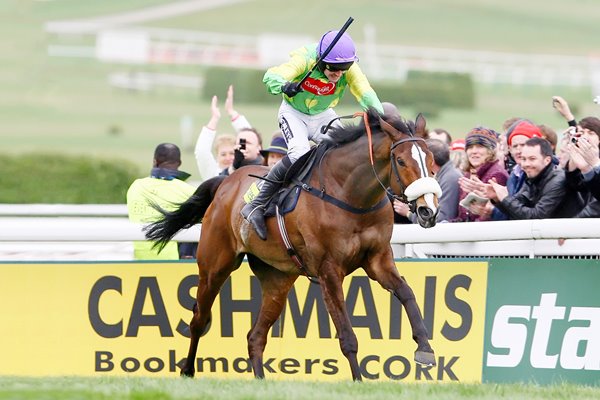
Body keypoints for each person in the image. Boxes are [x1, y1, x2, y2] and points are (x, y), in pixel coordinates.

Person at [241, 28, 384, 240]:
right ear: (321, 59)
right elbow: (271, 76)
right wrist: (284, 86)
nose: (338, 74)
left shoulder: (349, 69)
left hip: (322, 115)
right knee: (299, 152)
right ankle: (256, 204)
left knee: (345, 152)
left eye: (344, 68)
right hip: (293, 114)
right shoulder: (305, 59)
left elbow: (365, 92)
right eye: (334, 68)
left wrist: (382, 117)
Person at [480, 137, 581, 220]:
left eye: (532, 159)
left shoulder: (558, 180)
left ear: (547, 160)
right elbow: (517, 209)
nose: (526, 164)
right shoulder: (533, 178)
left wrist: (505, 199)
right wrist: (497, 198)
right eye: (523, 159)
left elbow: (536, 216)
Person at [127, 143, 197, 260]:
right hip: (173, 262)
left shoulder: (136, 186)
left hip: (139, 260)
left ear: (154, 161)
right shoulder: (188, 191)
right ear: (179, 163)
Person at [393, 139, 462, 223]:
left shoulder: (450, 179)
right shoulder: (446, 175)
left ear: (431, 160)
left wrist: (409, 213)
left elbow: (442, 218)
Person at [194, 85, 253, 181]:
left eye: (232, 153)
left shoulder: (243, 168)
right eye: (223, 154)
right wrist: (215, 118)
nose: (228, 158)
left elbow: (249, 138)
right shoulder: (212, 173)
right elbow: (201, 152)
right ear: (216, 157)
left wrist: (231, 112)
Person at [451, 127, 508, 222]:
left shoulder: (497, 175)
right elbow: (463, 217)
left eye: (480, 146)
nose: (474, 151)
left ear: (491, 151)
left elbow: (489, 218)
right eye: (470, 147)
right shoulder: (467, 175)